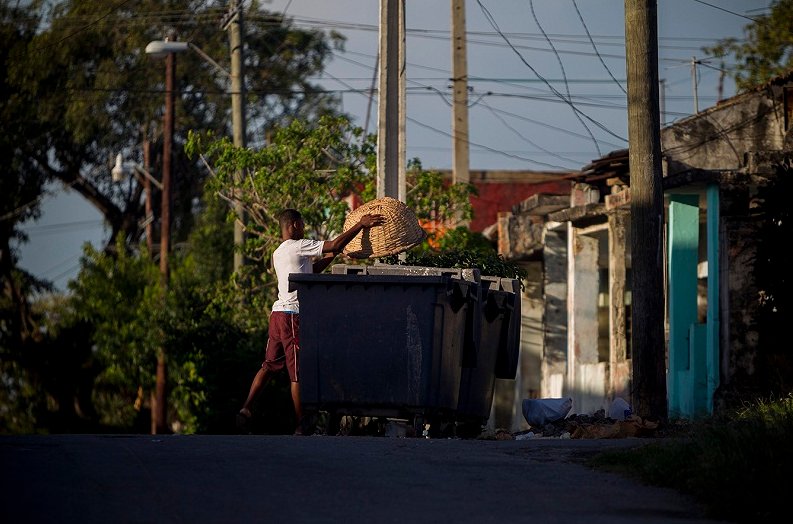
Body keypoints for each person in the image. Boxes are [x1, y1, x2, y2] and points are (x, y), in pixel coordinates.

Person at [236, 208, 385, 435]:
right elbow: (334, 244)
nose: (304, 228)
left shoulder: (279, 252)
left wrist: (330, 258)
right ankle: (301, 425)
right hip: (292, 316)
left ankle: (246, 408)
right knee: (297, 373)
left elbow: (309, 273)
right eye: (302, 224)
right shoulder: (299, 245)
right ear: (294, 225)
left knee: (268, 366)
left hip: (277, 315)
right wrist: (361, 225)